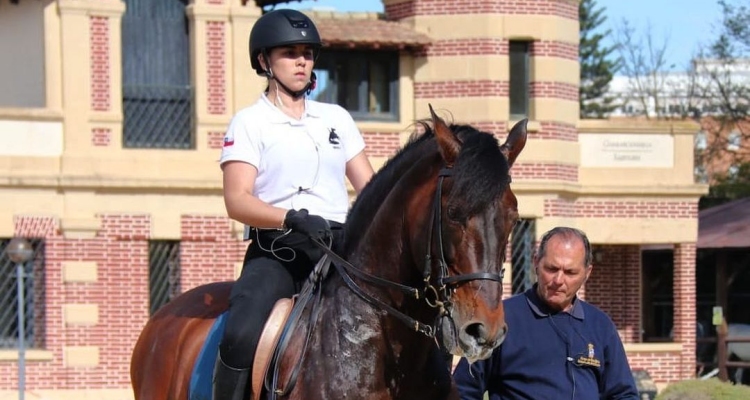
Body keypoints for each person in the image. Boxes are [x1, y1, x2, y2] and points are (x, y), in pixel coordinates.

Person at [213, 9, 374, 400]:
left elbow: (370, 189)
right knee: (241, 332)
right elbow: (237, 200)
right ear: (264, 60)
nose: (302, 61)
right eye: (290, 52)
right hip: (279, 250)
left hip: (340, 249)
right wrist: (290, 217)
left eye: (308, 52)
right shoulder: (249, 123)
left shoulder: (336, 118)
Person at [453, 227, 639, 400]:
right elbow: (463, 390)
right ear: (536, 261)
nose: (558, 280)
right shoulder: (500, 319)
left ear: (587, 273)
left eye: (570, 272)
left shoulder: (600, 326)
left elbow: (623, 394)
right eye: (551, 269)